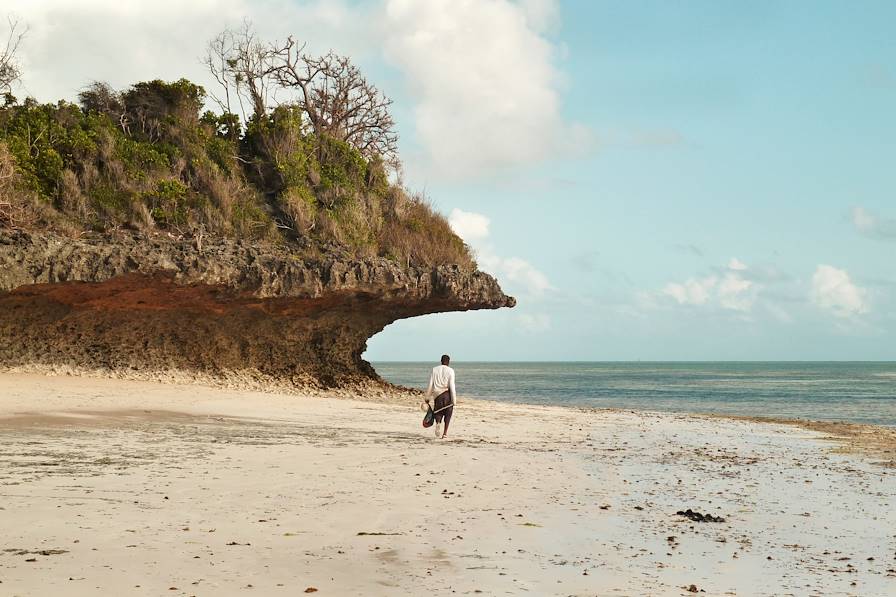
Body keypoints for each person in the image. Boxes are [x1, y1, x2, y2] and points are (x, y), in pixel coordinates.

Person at [425, 354, 456, 439]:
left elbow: (430, 384)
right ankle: (445, 433)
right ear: (448, 362)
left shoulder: (434, 369)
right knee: (448, 413)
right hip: (447, 394)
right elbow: (452, 386)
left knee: (438, 412)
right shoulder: (450, 370)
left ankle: (438, 423)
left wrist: (427, 397)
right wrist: (454, 400)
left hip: (437, 395)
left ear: (441, 361)